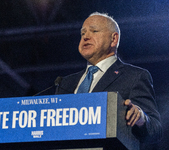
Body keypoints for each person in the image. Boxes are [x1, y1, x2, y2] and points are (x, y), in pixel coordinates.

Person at [55, 12, 162, 144]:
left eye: (94, 31)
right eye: (82, 33)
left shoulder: (134, 77)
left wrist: (141, 118)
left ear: (114, 39)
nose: (86, 37)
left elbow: (156, 130)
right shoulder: (66, 83)